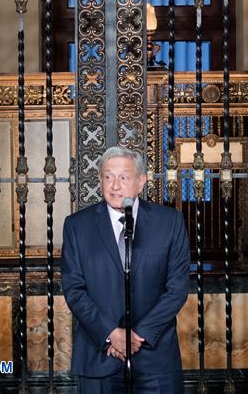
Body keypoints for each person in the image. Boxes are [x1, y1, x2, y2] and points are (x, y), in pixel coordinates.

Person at [61, 146, 190, 393]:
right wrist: (111, 334)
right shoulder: (77, 226)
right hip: (99, 357)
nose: (115, 185)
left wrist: (136, 337)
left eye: (124, 177)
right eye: (108, 177)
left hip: (154, 356)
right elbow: (74, 288)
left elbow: (176, 289)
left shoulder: (169, 222)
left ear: (141, 182)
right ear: (100, 181)